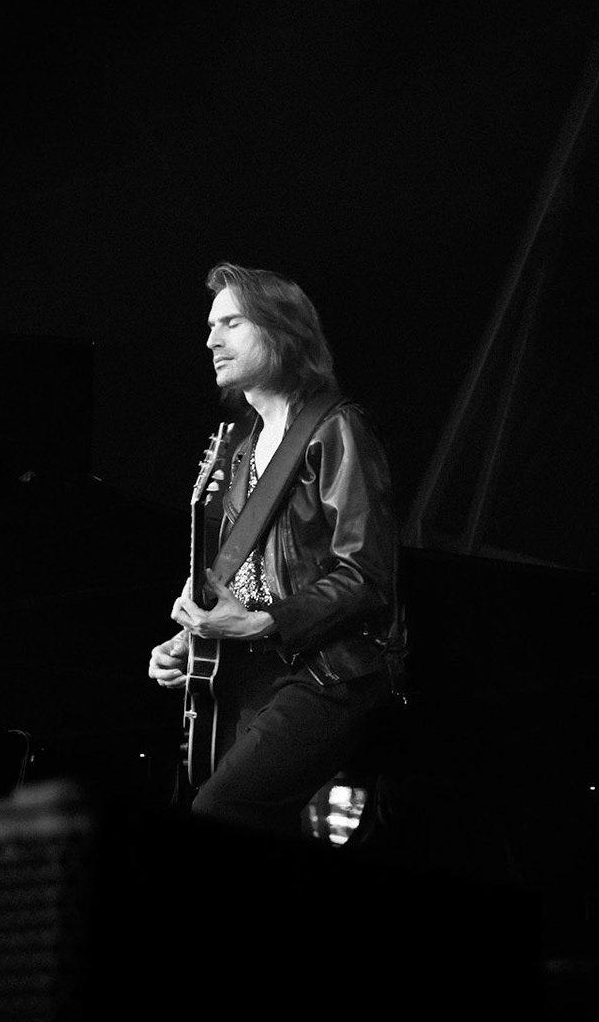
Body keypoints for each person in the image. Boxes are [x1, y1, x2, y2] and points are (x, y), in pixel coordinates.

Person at [147, 262, 407, 836]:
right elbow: (239, 579)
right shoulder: (240, 448)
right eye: (211, 326)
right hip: (260, 668)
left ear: (283, 331)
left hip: (330, 670)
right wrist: (188, 637)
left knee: (223, 810)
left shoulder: (337, 430)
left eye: (232, 322)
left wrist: (264, 623)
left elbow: (367, 577)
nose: (211, 339)